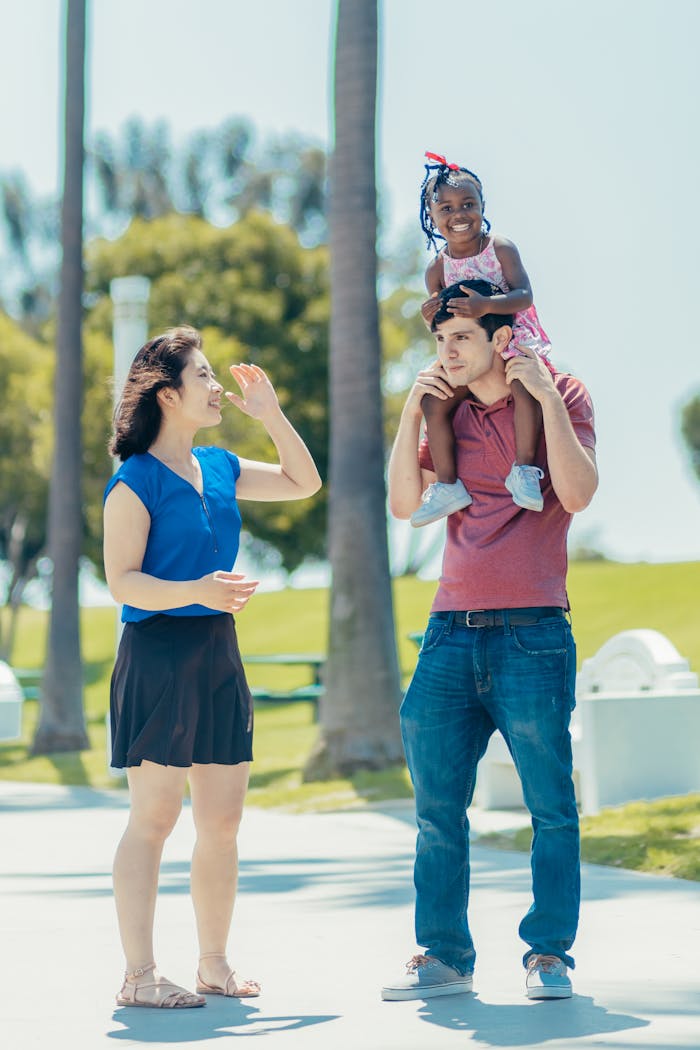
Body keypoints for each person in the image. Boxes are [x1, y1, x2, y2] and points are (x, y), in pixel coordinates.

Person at [383, 281, 597, 1002]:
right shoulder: (447, 411)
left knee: (550, 806)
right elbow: (404, 505)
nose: (445, 351)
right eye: (440, 340)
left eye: (459, 339)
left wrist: (544, 396)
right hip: (449, 634)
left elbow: (580, 492)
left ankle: (548, 955)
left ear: (501, 339)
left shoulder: (561, 394)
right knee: (436, 809)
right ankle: (444, 955)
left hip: (532, 631)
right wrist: (412, 404)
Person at [103, 326, 321, 1009]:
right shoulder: (133, 481)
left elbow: (302, 482)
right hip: (157, 654)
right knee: (156, 818)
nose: (217, 385)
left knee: (222, 821)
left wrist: (271, 415)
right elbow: (122, 582)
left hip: (217, 655)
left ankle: (214, 965)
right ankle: (139, 976)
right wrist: (197, 590)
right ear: (168, 394)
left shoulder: (221, 465)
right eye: (203, 376)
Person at [410, 152, 553, 527]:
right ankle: (447, 485)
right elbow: (444, 322)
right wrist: (431, 319)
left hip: (513, 335)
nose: (458, 215)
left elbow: (524, 295)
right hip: (472, 349)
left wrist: (487, 305)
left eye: (468, 204)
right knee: (434, 401)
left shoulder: (500, 247)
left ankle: (523, 469)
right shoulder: (437, 268)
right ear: (432, 216)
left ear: (482, 206)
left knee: (523, 385)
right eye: (446, 208)